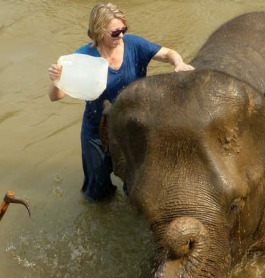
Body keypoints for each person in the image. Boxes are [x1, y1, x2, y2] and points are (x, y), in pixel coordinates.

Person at [47, 2, 194, 201]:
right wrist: (57, 79)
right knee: (97, 195)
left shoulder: (134, 45)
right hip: (97, 131)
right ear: (99, 31)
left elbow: (168, 53)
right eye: (115, 32)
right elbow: (56, 97)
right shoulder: (84, 56)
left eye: (124, 30)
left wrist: (179, 63)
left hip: (132, 127)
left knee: (137, 188)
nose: (121, 36)